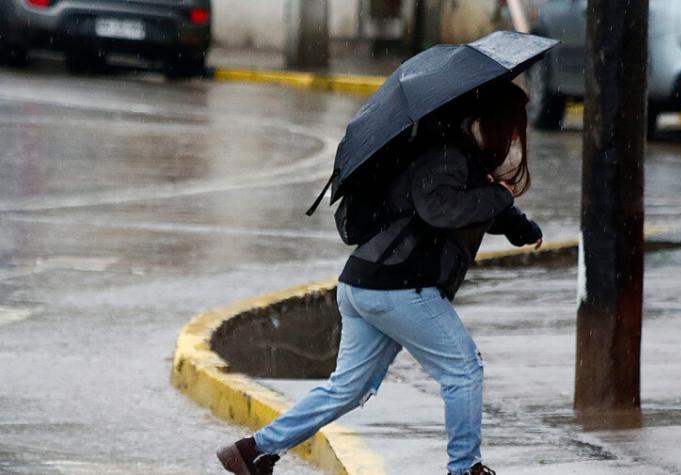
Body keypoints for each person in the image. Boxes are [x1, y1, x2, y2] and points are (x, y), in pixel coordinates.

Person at [216, 81, 543, 475]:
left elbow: (479, 203)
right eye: (511, 126)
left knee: (347, 389)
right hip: (400, 286)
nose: (512, 138)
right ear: (493, 121)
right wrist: (502, 198)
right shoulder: (445, 155)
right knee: (463, 370)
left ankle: (254, 451)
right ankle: (464, 469)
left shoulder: (451, 152)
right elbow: (442, 209)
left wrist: (522, 228)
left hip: (365, 283)